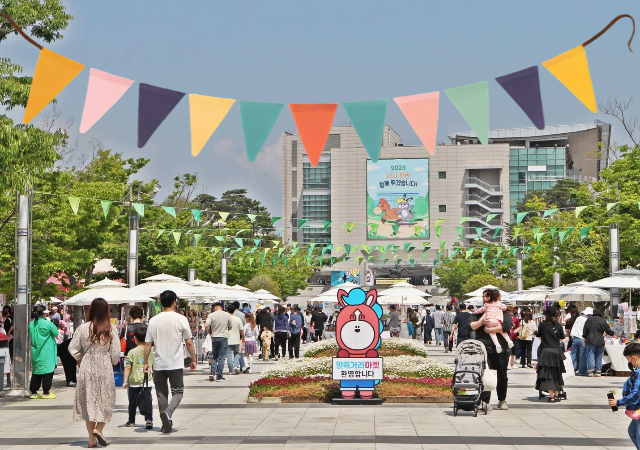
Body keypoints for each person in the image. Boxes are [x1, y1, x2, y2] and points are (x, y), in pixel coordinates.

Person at [69, 298, 120, 447]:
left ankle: (92, 439)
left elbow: (72, 347)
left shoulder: (83, 328)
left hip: (87, 365)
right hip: (104, 365)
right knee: (107, 400)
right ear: (106, 311)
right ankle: (99, 429)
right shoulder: (111, 329)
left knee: (88, 401)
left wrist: (80, 358)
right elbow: (116, 354)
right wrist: (111, 361)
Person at [144, 290, 197, 434]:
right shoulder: (180, 319)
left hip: (159, 362)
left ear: (161, 302)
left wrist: (145, 362)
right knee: (178, 392)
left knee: (161, 394)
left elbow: (148, 343)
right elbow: (189, 341)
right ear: (175, 302)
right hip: (175, 362)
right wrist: (193, 358)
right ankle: (168, 413)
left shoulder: (153, 320)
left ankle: (164, 423)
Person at [468, 289, 513, 411]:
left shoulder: (502, 311)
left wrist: (489, 330)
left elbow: (507, 326)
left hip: (502, 349)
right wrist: (481, 321)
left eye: (486, 297)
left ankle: (502, 400)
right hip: (485, 349)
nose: (484, 299)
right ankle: (485, 401)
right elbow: (471, 326)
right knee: (485, 374)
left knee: (502, 375)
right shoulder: (480, 312)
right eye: (483, 297)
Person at [608, 341, 640, 449]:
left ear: (634, 358)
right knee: (633, 432)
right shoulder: (637, 372)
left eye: (628, 359)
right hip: (637, 410)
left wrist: (619, 402)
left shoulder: (639, 373)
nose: (629, 363)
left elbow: (636, 393)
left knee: (637, 435)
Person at [123, 326, 153, 429]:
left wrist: (125, 381)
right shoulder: (150, 351)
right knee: (148, 400)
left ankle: (131, 421)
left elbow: (128, 367)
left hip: (134, 381)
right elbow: (153, 365)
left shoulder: (132, 352)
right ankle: (149, 420)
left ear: (135, 338)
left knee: (132, 402)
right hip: (147, 381)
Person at [535, 307, 566, 402]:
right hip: (557, 351)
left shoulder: (542, 325)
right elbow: (561, 338)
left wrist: (547, 341)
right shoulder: (559, 326)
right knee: (557, 373)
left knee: (547, 373)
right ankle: (556, 395)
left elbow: (539, 336)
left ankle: (551, 396)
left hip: (545, 351)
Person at [29, 305, 59, 399]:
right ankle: (46, 392)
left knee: (36, 371)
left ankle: (33, 392)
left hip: (35, 351)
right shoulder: (48, 324)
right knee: (47, 371)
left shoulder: (31, 324)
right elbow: (56, 333)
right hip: (47, 351)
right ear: (44, 313)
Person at [583, 307, 615, 377]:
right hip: (600, 340)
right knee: (599, 356)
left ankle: (591, 371)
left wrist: (584, 337)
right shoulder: (603, 320)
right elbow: (608, 330)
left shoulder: (589, 320)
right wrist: (613, 334)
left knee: (590, 355)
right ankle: (598, 371)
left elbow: (585, 330)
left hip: (591, 339)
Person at [206, 301, 233, 382]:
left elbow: (206, 325)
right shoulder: (227, 314)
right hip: (223, 337)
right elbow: (230, 326)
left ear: (214, 308)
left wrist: (209, 331)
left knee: (214, 356)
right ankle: (219, 376)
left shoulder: (211, 315)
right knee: (222, 357)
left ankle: (212, 373)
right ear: (221, 307)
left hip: (214, 337)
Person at [55, 319, 77, 387]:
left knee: (73, 364)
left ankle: (73, 379)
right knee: (68, 365)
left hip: (69, 349)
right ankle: (70, 380)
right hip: (65, 350)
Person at [570, 307, 591, 376]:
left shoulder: (578, 318)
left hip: (575, 338)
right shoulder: (587, 320)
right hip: (582, 339)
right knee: (582, 356)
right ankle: (582, 371)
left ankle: (572, 369)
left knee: (573, 355)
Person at [226, 304, 245, 375]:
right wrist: (243, 337)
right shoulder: (238, 319)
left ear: (227, 310)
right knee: (237, 353)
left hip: (228, 339)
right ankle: (236, 366)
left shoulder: (226, 319)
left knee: (229, 355)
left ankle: (231, 370)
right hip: (236, 339)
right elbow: (241, 330)